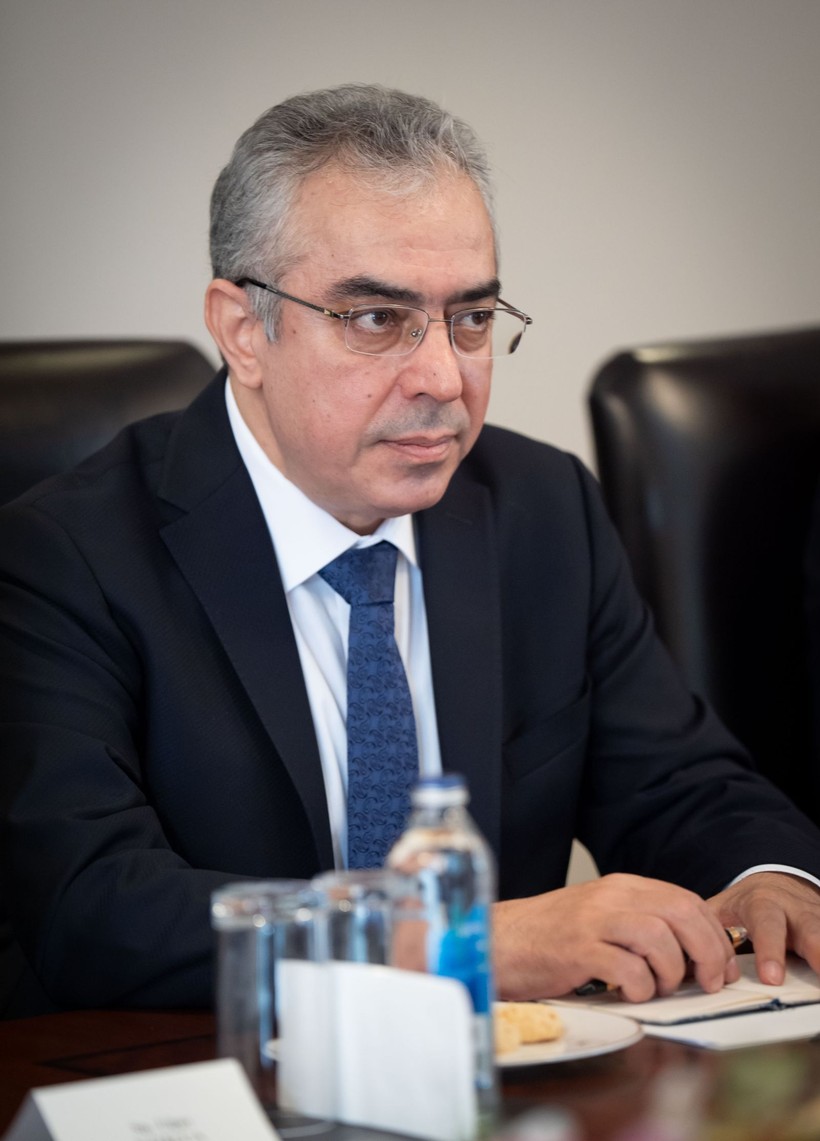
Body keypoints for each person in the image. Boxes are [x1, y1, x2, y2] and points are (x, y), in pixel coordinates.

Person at [2, 84, 820, 1018]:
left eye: (471, 318)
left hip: (509, 1079)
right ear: (243, 331)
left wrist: (771, 878)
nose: (442, 377)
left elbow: (679, 785)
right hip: (206, 1068)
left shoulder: (542, 507)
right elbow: (94, 908)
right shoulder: (65, 556)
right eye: (375, 319)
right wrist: (457, 940)